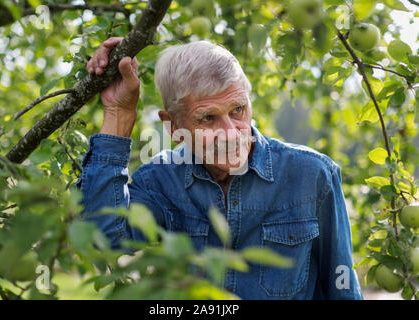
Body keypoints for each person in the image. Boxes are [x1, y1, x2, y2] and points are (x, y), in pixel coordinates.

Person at [77, 37, 364, 300]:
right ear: (173, 125)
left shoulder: (312, 175)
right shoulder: (160, 181)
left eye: (237, 110)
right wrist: (119, 114)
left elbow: (342, 288)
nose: (230, 133)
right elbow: (102, 240)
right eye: (208, 118)